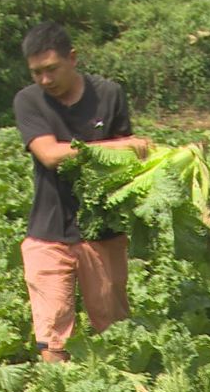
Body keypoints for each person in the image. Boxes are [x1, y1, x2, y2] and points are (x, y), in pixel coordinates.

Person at [13, 21, 151, 363]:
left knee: (113, 325)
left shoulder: (109, 94)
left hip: (102, 229)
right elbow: (49, 155)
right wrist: (118, 147)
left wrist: (126, 150)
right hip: (48, 230)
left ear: (72, 58)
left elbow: (127, 161)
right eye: (36, 72)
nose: (45, 80)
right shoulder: (29, 101)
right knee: (52, 332)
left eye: (51, 69)